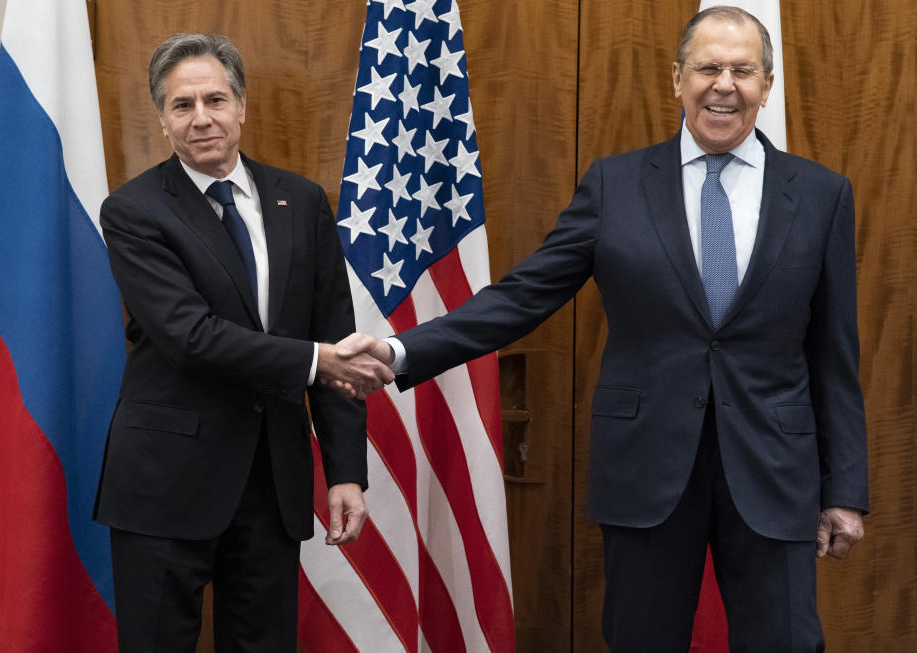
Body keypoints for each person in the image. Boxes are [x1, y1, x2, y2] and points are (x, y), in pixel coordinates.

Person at [338, 6, 867, 651]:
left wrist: (844, 490)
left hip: (775, 473)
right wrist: (399, 350)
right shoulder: (615, 186)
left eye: (742, 70)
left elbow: (834, 357)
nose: (723, 85)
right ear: (676, 79)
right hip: (647, 471)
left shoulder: (820, 195)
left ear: (767, 84)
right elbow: (522, 295)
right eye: (706, 67)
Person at [93, 33, 392, 652]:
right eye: (182, 105)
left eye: (215, 99)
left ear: (242, 106)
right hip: (166, 483)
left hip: (270, 480)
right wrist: (315, 361)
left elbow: (333, 335)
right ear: (163, 119)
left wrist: (345, 472)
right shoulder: (134, 210)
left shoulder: (301, 200)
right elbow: (189, 336)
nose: (201, 118)